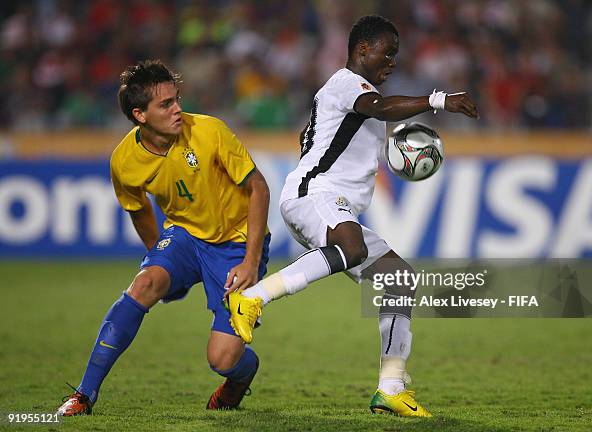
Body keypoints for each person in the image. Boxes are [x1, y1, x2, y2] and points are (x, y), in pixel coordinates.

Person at [226, 15, 478, 418]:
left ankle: (391, 387)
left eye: (396, 54)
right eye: (387, 51)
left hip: (328, 201)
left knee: (400, 278)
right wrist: (439, 101)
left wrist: (397, 158)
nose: (392, 61)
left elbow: (333, 138)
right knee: (353, 247)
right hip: (317, 195)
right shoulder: (349, 85)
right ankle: (253, 299)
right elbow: (377, 108)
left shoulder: (354, 103)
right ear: (363, 49)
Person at [57, 59, 271, 415]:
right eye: (166, 104)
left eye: (177, 99)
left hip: (236, 243)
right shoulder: (124, 161)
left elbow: (258, 188)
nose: (178, 109)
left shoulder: (209, 131)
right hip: (185, 236)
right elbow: (138, 208)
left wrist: (250, 262)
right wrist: (159, 260)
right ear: (140, 115)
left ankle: (240, 379)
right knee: (143, 285)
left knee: (222, 359)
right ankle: (84, 394)